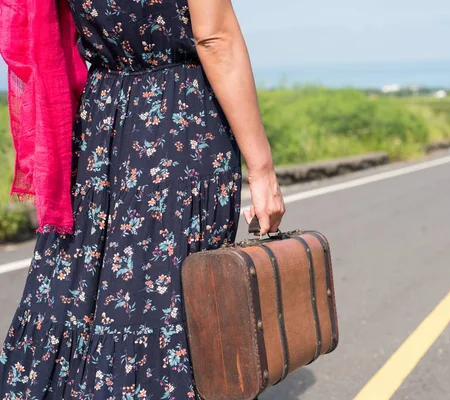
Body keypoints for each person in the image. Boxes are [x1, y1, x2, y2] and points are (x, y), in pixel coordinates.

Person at [0, 0, 285, 397]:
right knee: (170, 296)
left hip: (101, 125)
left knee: (83, 286)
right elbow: (215, 38)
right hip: (179, 121)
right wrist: (262, 168)